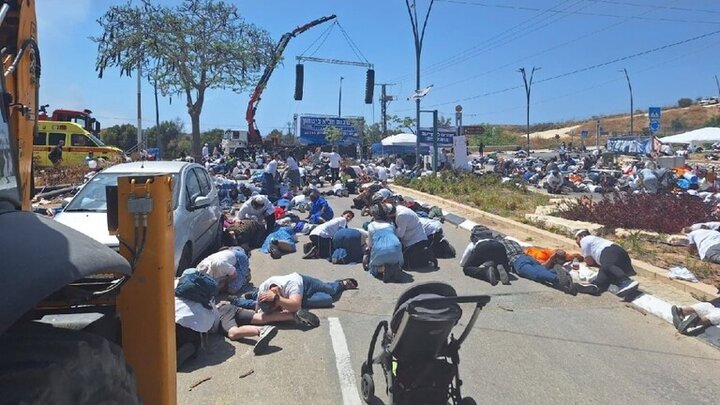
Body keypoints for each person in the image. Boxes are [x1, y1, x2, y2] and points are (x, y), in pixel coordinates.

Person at [496, 236, 576, 294]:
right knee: (541, 270)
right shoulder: (513, 242)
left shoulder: (498, 245)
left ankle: (561, 280)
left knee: (536, 274)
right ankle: (555, 271)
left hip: (517, 261)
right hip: (528, 258)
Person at [574, 230, 639, 295]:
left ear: (581, 236)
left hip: (609, 251)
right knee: (604, 269)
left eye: (576, 239)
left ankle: (625, 281)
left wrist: (583, 259)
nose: (577, 243)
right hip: (622, 257)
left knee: (606, 265)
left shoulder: (585, 240)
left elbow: (589, 261)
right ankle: (595, 286)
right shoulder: (596, 241)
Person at [255, 272, 358, 313]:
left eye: (276, 307)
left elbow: (295, 307)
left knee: (331, 290)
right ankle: (247, 297)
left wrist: (279, 301)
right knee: (328, 299)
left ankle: (341, 284)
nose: (278, 310)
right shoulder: (262, 289)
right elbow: (257, 309)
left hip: (306, 283)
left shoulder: (291, 284)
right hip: (300, 298)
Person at [388, 203, 433, 269]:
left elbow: (400, 234)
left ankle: (428, 255)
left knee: (406, 265)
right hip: (415, 236)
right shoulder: (399, 208)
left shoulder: (401, 216)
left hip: (415, 240)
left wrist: (390, 231)